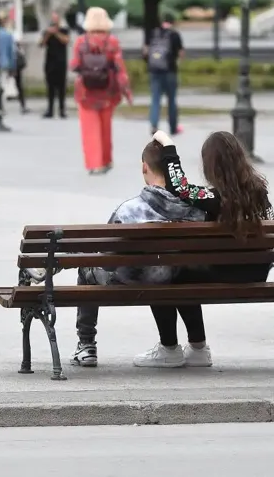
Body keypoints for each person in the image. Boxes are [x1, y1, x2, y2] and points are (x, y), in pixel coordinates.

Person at [139, 129, 274, 368]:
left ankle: (170, 348)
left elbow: (178, 187)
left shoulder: (214, 198)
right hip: (256, 273)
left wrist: (169, 147)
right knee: (182, 271)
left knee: (165, 272)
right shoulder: (259, 192)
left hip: (224, 274)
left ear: (211, 165)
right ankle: (197, 349)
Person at [71, 139, 206, 368]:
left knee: (87, 269)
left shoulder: (129, 210)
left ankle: (87, 346)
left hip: (131, 280)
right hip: (178, 278)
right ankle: (198, 345)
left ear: (145, 167)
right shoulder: (196, 209)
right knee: (169, 268)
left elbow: (106, 259)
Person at [70, 7, 132, 175]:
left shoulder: (81, 42)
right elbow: (120, 68)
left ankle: (94, 163)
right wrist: (126, 90)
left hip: (86, 92)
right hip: (107, 90)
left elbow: (74, 65)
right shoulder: (112, 42)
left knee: (89, 129)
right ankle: (106, 160)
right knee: (105, 127)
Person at [145, 12, 184, 136]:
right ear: (172, 22)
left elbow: (145, 51)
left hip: (155, 71)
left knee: (155, 99)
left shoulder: (153, 33)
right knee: (171, 100)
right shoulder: (175, 35)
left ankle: (154, 126)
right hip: (170, 71)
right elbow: (181, 53)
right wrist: (177, 62)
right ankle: (173, 127)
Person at [40, 11, 70, 119]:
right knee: (50, 87)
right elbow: (41, 44)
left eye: (56, 18)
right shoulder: (46, 31)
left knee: (62, 87)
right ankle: (50, 110)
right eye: (53, 19)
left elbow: (66, 41)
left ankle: (62, 110)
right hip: (50, 62)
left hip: (61, 62)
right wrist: (48, 34)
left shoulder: (64, 30)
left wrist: (56, 33)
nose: (54, 20)